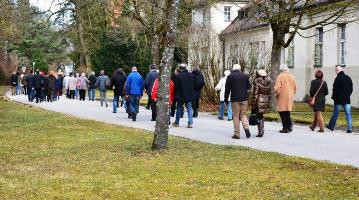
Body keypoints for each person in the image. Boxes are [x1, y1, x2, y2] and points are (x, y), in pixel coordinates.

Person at [225, 64, 251, 139]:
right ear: (240, 69)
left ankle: (237, 133)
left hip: (235, 99)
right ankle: (246, 128)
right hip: (244, 98)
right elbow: (249, 87)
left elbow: (227, 89)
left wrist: (226, 99)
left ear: (233, 69)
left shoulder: (230, 77)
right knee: (243, 114)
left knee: (236, 115)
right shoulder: (245, 76)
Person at [326, 65, 353, 133]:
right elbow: (351, 89)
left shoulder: (337, 79)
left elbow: (335, 90)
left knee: (335, 113)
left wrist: (334, 97)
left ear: (337, 71)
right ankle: (349, 128)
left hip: (338, 100)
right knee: (348, 114)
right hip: (347, 99)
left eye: (336, 71)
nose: (335, 72)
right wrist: (348, 95)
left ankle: (331, 126)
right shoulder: (348, 78)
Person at [274, 64, 297, 133]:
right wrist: (292, 93)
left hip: (282, 95)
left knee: (282, 112)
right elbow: (295, 87)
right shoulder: (292, 76)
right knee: (287, 111)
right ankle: (289, 125)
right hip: (290, 95)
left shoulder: (280, 76)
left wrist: (277, 94)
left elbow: (277, 88)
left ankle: (285, 127)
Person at [173, 63, 195, 128]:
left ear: (180, 68)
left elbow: (176, 86)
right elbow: (194, 85)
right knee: (189, 108)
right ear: (185, 68)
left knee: (179, 108)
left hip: (180, 94)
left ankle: (177, 122)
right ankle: (190, 123)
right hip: (189, 94)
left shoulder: (178, 76)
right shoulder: (191, 75)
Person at [251, 69, 271, 137]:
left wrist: (253, 104)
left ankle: (260, 132)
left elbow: (255, 94)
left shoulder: (257, 81)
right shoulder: (268, 81)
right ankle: (262, 130)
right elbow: (269, 93)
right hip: (265, 100)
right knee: (261, 116)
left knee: (258, 116)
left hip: (258, 101)